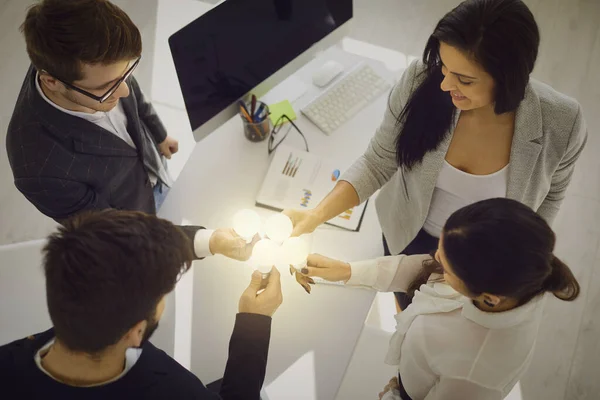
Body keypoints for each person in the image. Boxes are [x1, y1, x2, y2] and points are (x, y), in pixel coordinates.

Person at [283, 0, 588, 306]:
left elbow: (552, 194)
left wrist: (516, 259)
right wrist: (316, 214)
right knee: (408, 308)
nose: (444, 84)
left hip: (483, 261)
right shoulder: (419, 80)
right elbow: (378, 162)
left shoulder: (562, 122)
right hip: (408, 232)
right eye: (443, 65)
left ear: (510, 78)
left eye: (465, 80)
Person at [299, 198, 580, 400]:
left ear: (489, 298)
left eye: (446, 265)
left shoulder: (474, 375)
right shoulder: (516, 276)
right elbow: (423, 269)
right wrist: (348, 271)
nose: (434, 258)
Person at [0, 210, 283, 399]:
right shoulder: (176, 391)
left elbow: (111, 254)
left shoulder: (9, 362)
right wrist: (253, 324)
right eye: (163, 295)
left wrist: (208, 242)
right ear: (136, 332)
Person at [6, 0, 180, 220]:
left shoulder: (94, 65)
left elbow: (132, 93)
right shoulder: (38, 169)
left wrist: (159, 134)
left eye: (126, 74)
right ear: (51, 81)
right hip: (137, 218)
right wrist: (200, 241)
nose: (125, 91)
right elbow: (110, 231)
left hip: (157, 169)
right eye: (106, 88)